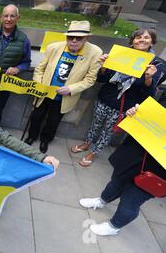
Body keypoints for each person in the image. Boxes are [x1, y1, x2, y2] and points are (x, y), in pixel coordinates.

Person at [71, 28, 164, 167]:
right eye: (138, 37)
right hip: (105, 99)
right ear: (132, 41)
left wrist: (148, 78)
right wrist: (103, 67)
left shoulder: (156, 64)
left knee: (108, 132)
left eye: (146, 37)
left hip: (124, 106)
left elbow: (149, 93)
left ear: (152, 42)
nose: (142, 40)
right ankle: (86, 143)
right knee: (95, 124)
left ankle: (94, 152)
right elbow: (102, 79)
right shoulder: (120, 55)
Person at [79, 96, 166, 236]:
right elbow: (152, 114)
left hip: (157, 170)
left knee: (131, 201)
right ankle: (102, 201)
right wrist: (134, 113)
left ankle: (114, 226)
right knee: (116, 182)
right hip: (133, 153)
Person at [25, 20, 102, 153]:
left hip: (64, 97)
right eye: (70, 37)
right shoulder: (54, 47)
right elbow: (39, 69)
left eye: (78, 38)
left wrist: (71, 89)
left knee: (53, 121)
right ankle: (31, 136)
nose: (73, 41)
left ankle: (45, 140)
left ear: (86, 38)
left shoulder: (95, 53)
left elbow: (90, 79)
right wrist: (39, 85)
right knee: (36, 116)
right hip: (45, 93)